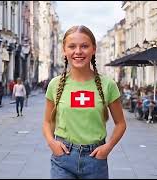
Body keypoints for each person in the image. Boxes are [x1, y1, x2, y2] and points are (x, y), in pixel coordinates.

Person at [42, 25, 126, 179]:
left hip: (95, 159)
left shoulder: (108, 85)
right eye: (72, 46)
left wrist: (108, 147)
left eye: (84, 46)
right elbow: (47, 122)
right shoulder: (55, 84)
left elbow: (120, 123)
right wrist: (51, 142)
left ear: (93, 49)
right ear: (64, 50)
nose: (78, 51)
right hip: (63, 159)